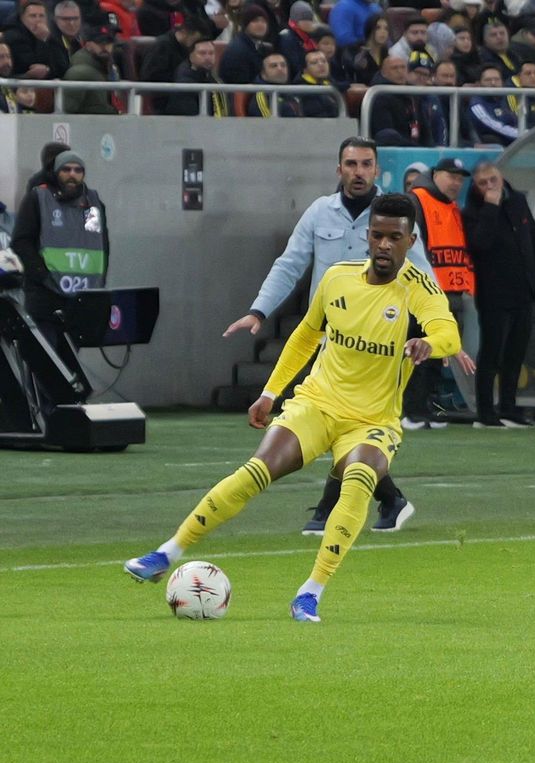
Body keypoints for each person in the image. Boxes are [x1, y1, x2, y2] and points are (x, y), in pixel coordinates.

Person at [124, 194, 461, 623]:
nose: (384, 245)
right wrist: (270, 393)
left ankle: (310, 592)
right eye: (377, 235)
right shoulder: (338, 279)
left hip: (372, 420)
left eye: (395, 237)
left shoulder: (419, 289)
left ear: (410, 240)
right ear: (367, 235)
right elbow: (305, 335)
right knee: (257, 470)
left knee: (358, 479)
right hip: (316, 403)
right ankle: (166, 552)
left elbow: (449, 332)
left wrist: (429, 343)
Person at [223, 138, 426, 535]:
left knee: (350, 421)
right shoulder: (320, 212)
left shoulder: (395, 215)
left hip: (383, 344)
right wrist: (258, 310)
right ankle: (387, 500)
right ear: (339, 170)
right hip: (332, 338)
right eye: (351, 163)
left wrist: (438, 331)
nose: (358, 171)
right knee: (331, 416)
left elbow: (422, 271)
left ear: (376, 170)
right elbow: (290, 263)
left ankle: (327, 510)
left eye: (366, 164)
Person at [463, 162, 535, 428]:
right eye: (483, 183)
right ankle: (486, 411)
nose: (489, 187)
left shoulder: (518, 201)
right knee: (492, 352)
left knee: (516, 352)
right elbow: (479, 244)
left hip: (523, 291)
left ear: (502, 178)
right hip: (493, 294)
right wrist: (490, 207)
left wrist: (532, 274)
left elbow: (533, 239)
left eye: (493, 180)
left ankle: (509, 407)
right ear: (475, 187)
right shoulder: (472, 212)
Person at [404, 157, 474, 429]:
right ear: (435, 175)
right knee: (420, 353)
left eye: (460, 178)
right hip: (426, 295)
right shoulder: (417, 200)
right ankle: (411, 411)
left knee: (437, 354)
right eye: (451, 176)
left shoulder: (452, 207)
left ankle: (423, 408)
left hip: (452, 294)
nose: (456, 182)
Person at [11, 150, 108, 342]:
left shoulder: (91, 205)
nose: (72, 174)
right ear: (56, 172)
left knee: (72, 366)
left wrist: (99, 281)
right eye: (66, 169)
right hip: (45, 300)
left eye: (78, 170)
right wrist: (42, 275)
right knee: (48, 365)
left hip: (80, 301)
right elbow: (22, 242)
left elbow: (97, 242)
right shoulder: (39, 199)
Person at [164, 37, 230, 116]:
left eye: (211, 53)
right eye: (202, 53)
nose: (207, 57)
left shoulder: (212, 77)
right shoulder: (185, 84)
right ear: (191, 56)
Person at [61, 24, 119, 114]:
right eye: (99, 43)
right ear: (87, 45)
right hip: (89, 125)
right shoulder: (79, 73)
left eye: (109, 42)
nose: (105, 47)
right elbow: (67, 111)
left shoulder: (108, 67)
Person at [245, 51, 301, 117]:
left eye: (283, 65)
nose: (280, 69)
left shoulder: (292, 92)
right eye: (274, 66)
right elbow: (269, 125)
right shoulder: (262, 96)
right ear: (263, 73)